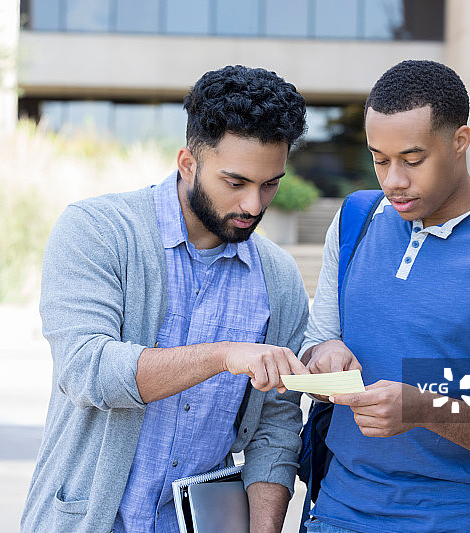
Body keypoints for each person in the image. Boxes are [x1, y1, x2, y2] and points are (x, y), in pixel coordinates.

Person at [21, 65, 311, 533]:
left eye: (269, 184)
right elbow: (87, 369)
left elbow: (276, 425)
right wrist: (222, 355)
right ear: (188, 163)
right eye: (235, 183)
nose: (254, 206)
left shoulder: (278, 278)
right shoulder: (97, 230)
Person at [300, 60, 470, 533]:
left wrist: (426, 409)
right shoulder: (354, 221)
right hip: (337, 513)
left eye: (412, 158)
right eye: (379, 159)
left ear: (460, 142)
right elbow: (317, 340)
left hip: (460, 521)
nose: (393, 181)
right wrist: (321, 356)